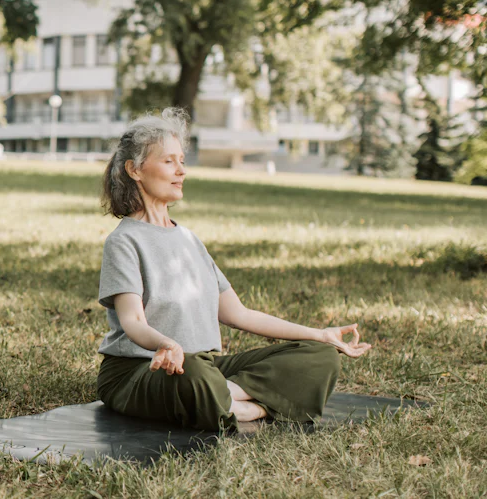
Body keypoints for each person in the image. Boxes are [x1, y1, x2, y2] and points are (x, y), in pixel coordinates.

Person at [95, 108, 371, 431]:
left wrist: (320, 334)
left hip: (203, 367)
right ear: (135, 170)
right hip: (140, 372)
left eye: (182, 160)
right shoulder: (124, 241)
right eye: (169, 161)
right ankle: (254, 405)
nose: (181, 170)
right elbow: (133, 321)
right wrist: (166, 344)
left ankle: (226, 401)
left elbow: (239, 314)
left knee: (321, 357)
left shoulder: (189, 240)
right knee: (193, 375)